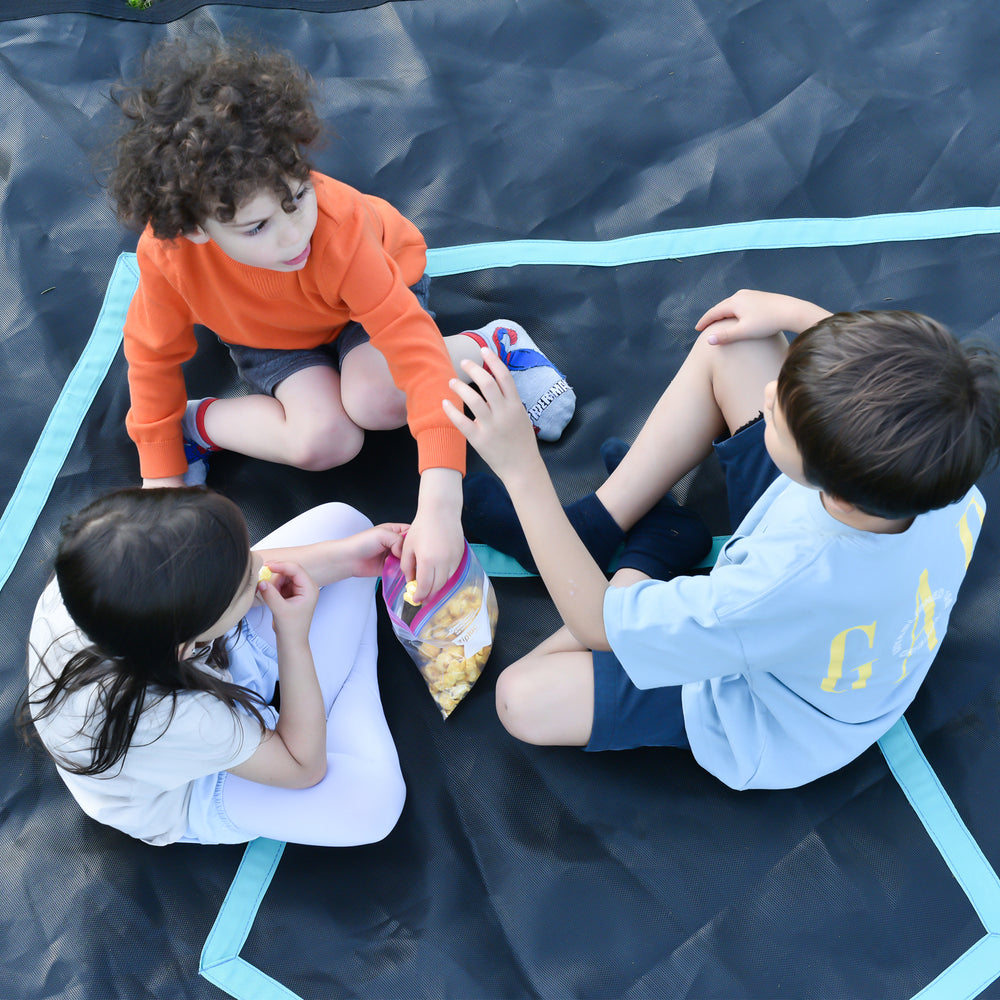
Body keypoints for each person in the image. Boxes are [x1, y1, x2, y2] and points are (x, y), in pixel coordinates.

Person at [444, 289, 1000, 790]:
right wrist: (795, 315)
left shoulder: (776, 586)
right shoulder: (941, 478)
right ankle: (597, 524)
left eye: (778, 413)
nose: (767, 392)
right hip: (820, 625)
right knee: (736, 343)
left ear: (824, 477)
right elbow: (894, 385)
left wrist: (522, 471)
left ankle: (651, 552)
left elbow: (595, 623)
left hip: (766, 711)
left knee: (521, 697)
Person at [108, 37, 574, 603]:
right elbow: (152, 355)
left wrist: (439, 506)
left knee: (377, 399)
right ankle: (198, 425)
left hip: (368, 303)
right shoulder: (169, 255)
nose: (291, 235)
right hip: (272, 338)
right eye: (256, 228)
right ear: (197, 229)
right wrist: (160, 476)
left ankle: (488, 347)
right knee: (323, 440)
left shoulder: (337, 230)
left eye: (297, 198)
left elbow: (417, 360)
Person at [22, 488, 408, 847]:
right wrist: (294, 636)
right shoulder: (175, 717)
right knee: (373, 805)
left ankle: (322, 691)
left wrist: (349, 558)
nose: (261, 570)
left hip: (206, 658)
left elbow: (255, 572)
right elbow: (303, 767)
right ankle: (346, 687)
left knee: (347, 524)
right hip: (194, 783)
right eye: (244, 585)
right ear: (185, 645)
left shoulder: (92, 577)